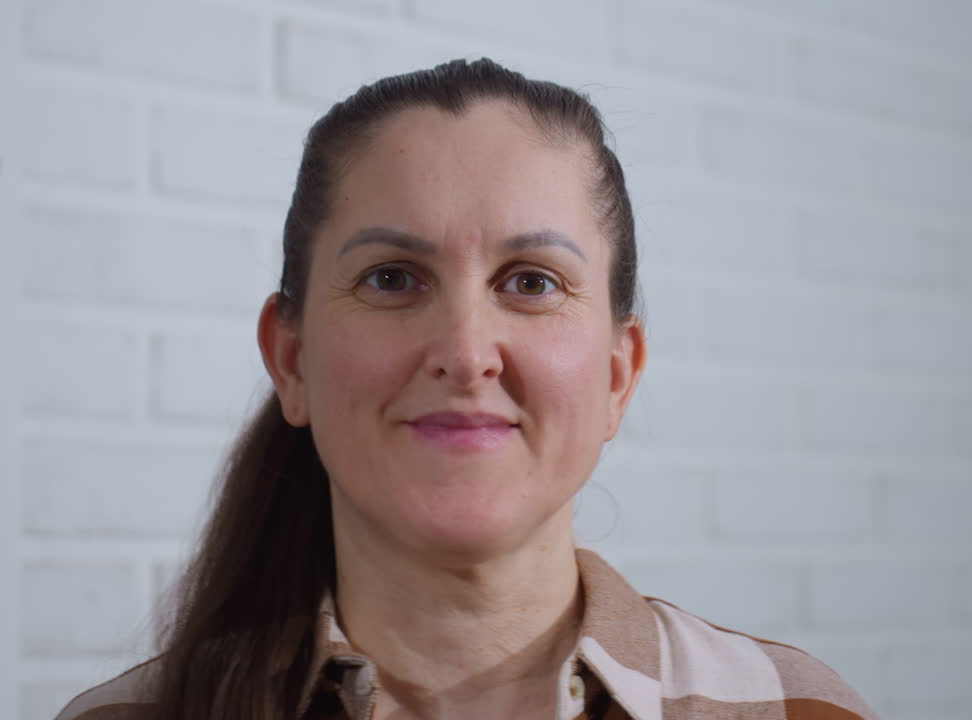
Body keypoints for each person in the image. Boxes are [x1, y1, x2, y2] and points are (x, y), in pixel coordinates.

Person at [54, 59, 877, 720]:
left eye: (530, 282)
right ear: (292, 361)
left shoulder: (793, 710)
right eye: (392, 278)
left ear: (618, 374)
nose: (464, 350)